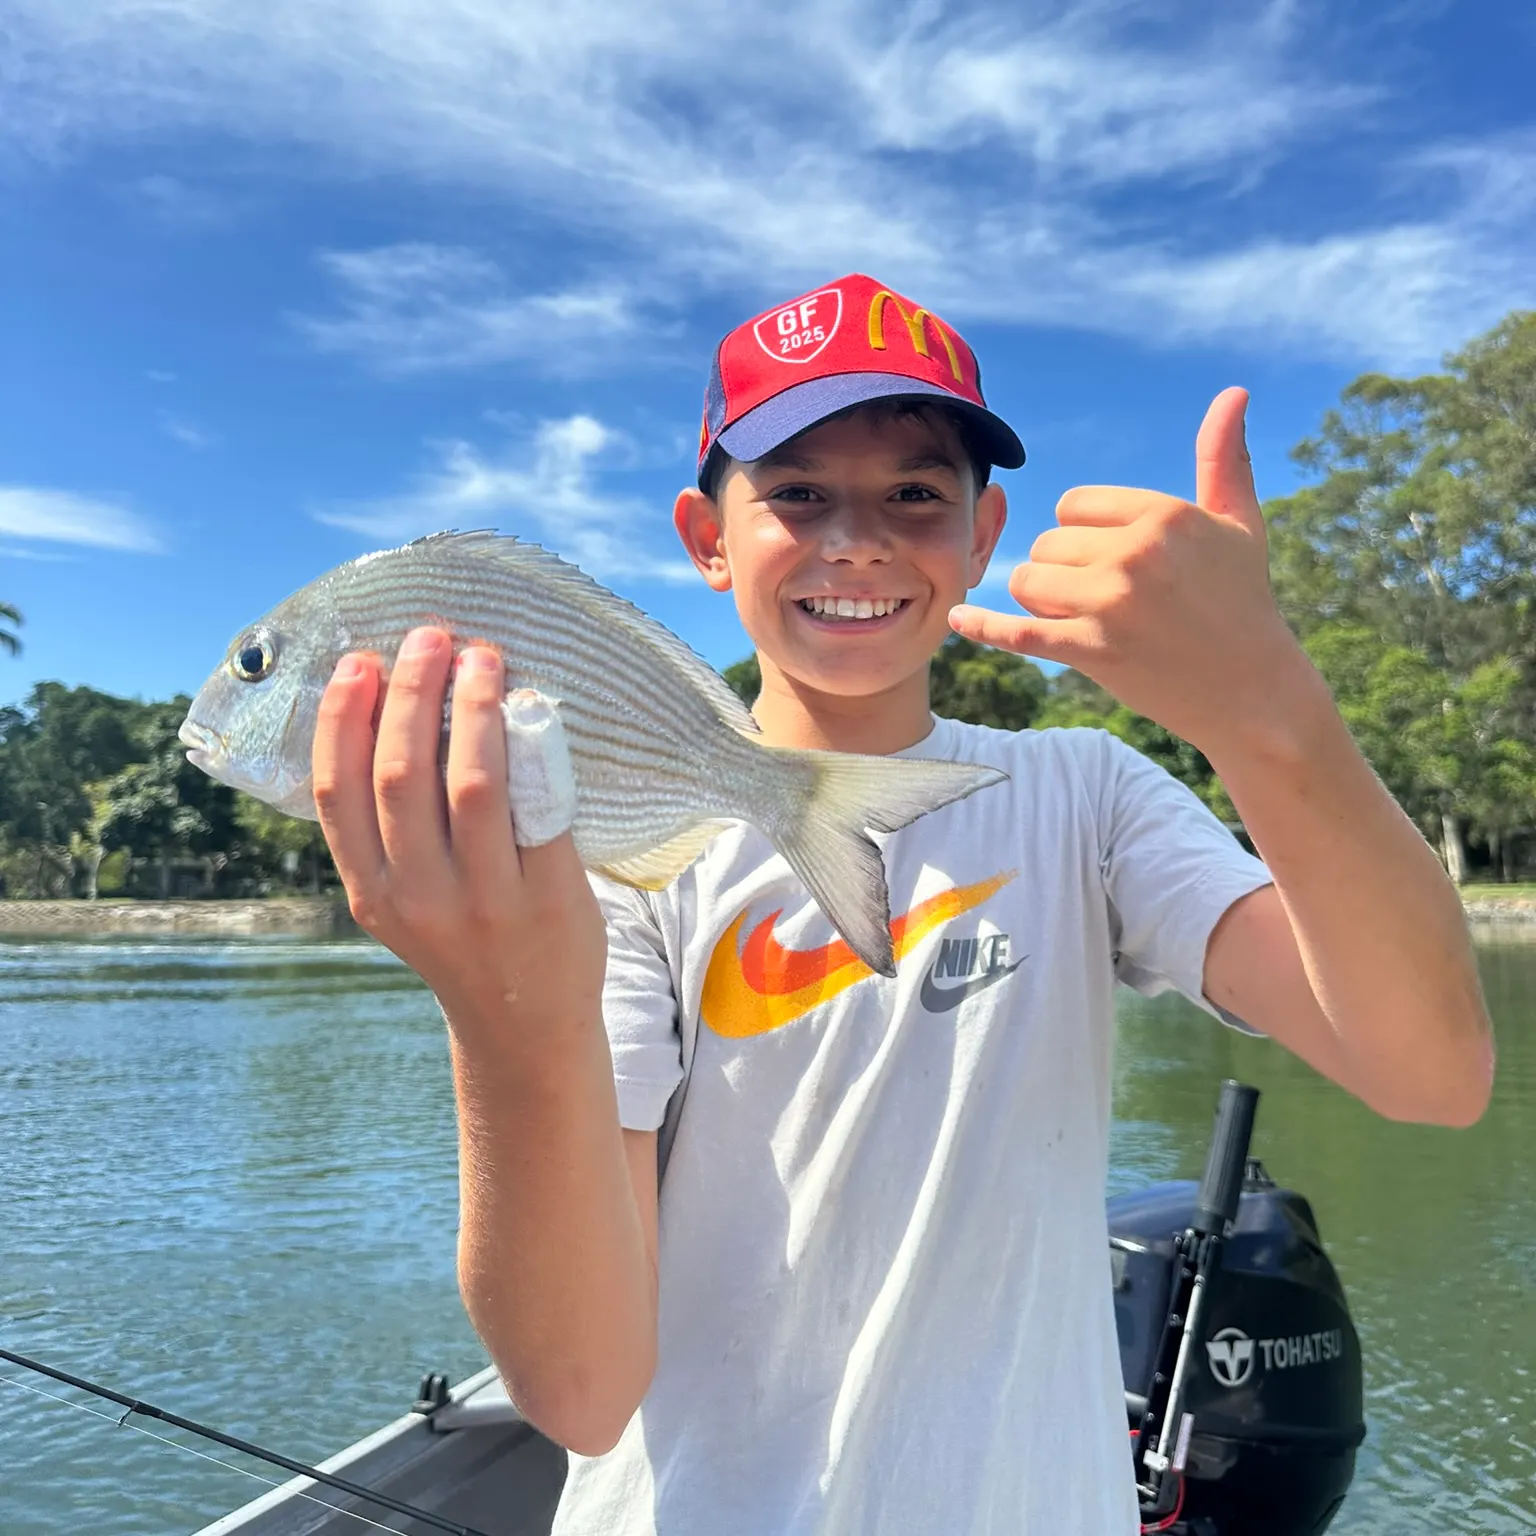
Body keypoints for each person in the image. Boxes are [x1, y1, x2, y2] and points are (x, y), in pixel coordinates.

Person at [310, 272, 1495, 1534]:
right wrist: (499, 1012)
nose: (856, 538)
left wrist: (1266, 700)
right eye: (798, 492)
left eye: (916, 493)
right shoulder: (624, 856)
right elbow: (583, 1394)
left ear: (982, 535)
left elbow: (1431, 1073)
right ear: (707, 540)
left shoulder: (1083, 792)